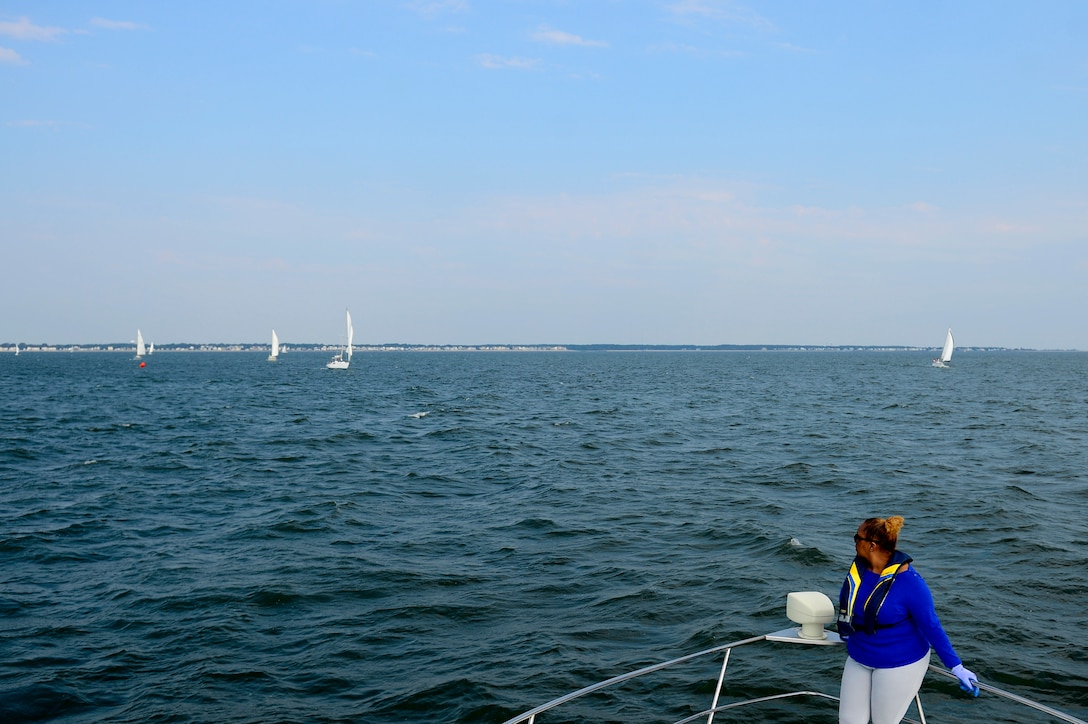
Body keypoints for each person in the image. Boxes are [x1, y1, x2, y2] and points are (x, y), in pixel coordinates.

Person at [836, 516, 979, 724]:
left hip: (899, 663)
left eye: (857, 537)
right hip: (860, 655)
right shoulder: (860, 571)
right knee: (849, 721)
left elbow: (931, 625)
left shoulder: (911, 584)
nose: (855, 541)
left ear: (872, 546)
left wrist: (956, 666)